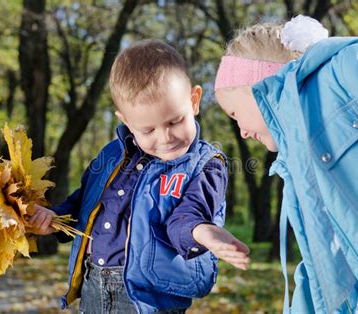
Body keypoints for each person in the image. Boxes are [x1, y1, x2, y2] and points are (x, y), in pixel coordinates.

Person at [28, 40, 250, 313]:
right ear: (126, 122)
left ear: (194, 101)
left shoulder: (205, 165)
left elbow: (189, 216)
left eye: (174, 121)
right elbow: (85, 204)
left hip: (149, 299)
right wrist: (54, 219)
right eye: (147, 130)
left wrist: (204, 233)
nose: (165, 138)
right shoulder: (111, 155)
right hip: (93, 287)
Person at [214, 15, 358, 314]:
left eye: (233, 113)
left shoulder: (342, 74)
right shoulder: (297, 163)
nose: (241, 131)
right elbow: (320, 265)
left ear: (256, 86)